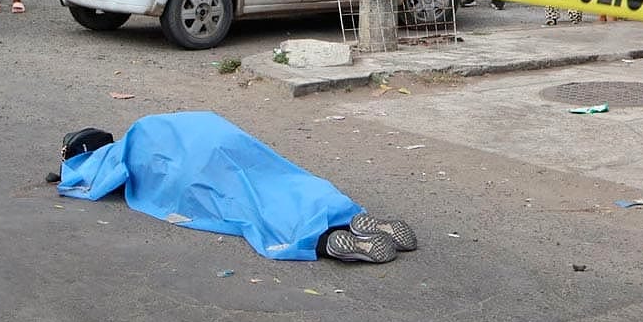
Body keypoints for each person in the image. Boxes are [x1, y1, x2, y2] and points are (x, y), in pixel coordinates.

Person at [58, 111, 417, 263]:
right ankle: (347, 215)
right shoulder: (150, 121)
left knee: (247, 203)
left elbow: (98, 181)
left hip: (195, 167)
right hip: (225, 138)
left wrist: (75, 183)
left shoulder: (122, 148)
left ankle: (319, 239)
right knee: (280, 177)